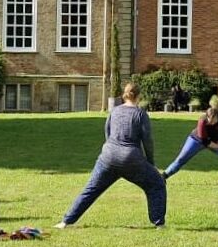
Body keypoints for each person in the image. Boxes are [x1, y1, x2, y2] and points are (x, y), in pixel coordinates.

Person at [55, 81, 166, 229]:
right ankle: (159, 224)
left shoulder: (114, 111)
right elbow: (148, 141)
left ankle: (65, 222)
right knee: (157, 184)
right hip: (131, 159)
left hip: (108, 157)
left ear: (124, 95)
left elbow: (107, 131)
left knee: (91, 189)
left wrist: (111, 149)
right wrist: (151, 164)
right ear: (138, 96)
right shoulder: (141, 114)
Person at [163, 103, 218, 185]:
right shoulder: (202, 120)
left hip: (215, 139)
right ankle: (163, 177)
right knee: (181, 159)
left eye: (214, 121)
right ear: (207, 116)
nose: (212, 123)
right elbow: (205, 141)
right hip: (197, 140)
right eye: (210, 121)